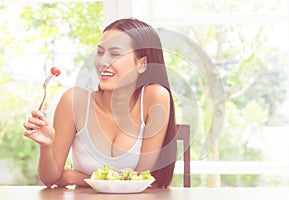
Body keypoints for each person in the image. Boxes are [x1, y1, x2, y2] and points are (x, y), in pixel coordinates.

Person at [23, 18, 177, 188]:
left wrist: (76, 177)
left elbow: (140, 179)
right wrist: (47, 146)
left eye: (115, 53)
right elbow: (51, 178)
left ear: (142, 64)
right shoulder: (73, 101)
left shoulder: (155, 96)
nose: (103, 62)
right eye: (100, 52)